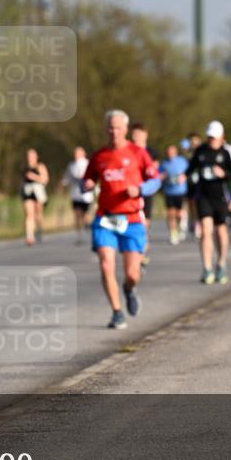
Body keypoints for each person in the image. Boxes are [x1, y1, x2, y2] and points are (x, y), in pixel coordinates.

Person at [82, 110, 158, 329]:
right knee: (106, 264)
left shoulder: (138, 153)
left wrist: (141, 189)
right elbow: (86, 180)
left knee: (132, 273)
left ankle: (129, 288)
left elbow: (155, 181)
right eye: (110, 127)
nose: (113, 131)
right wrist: (85, 185)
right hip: (105, 218)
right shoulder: (99, 156)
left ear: (125, 130)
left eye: (117, 128)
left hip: (132, 219)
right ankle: (116, 312)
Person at [188, 121, 231, 284]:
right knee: (206, 230)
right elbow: (190, 169)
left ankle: (221, 264)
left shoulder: (226, 153)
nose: (212, 140)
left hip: (221, 197)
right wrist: (186, 177)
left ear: (221, 137)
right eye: (210, 137)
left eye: (215, 137)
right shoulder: (200, 151)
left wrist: (223, 173)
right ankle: (207, 268)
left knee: (221, 231)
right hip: (204, 196)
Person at [130, 124, 157, 264]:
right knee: (137, 224)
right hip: (131, 194)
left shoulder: (150, 152)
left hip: (146, 192)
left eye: (138, 134)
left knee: (144, 224)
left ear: (145, 134)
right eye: (133, 134)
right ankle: (139, 254)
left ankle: (141, 252)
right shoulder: (127, 150)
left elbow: (155, 174)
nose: (135, 137)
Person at [158, 144, 189, 245]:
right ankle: (173, 233)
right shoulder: (164, 163)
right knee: (170, 214)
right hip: (169, 191)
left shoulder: (182, 161)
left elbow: (189, 172)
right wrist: (162, 176)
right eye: (168, 151)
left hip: (180, 191)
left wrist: (184, 177)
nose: (170, 153)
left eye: (172, 151)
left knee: (179, 213)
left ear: (175, 152)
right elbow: (158, 175)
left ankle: (181, 225)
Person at [61, 146, 93, 244]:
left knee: (85, 215)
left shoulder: (87, 163)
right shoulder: (71, 165)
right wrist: (64, 182)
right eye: (75, 153)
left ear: (83, 154)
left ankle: (89, 228)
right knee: (76, 215)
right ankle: (79, 236)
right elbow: (67, 177)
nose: (76, 155)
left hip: (86, 195)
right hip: (75, 194)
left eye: (78, 153)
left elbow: (92, 176)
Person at [20, 149, 49, 245]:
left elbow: (45, 180)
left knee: (38, 214)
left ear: (36, 157)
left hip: (38, 191)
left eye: (32, 156)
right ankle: (29, 236)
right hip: (28, 191)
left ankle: (39, 228)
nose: (30, 158)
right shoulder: (24, 167)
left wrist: (34, 177)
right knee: (29, 214)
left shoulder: (40, 166)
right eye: (29, 156)